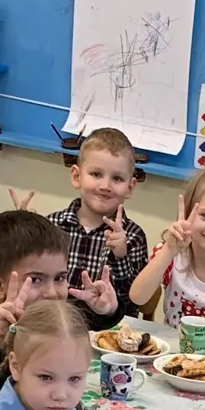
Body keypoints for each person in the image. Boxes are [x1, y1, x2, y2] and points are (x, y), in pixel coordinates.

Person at [128, 164, 205, 342]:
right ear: (189, 213)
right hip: (173, 351)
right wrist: (169, 250)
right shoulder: (173, 255)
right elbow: (138, 297)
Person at [0, 208, 116, 368]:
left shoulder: (60, 312)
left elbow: (90, 320)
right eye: (36, 280)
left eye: (59, 278)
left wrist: (105, 310)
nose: (52, 293)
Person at [45, 127, 146, 330]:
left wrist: (121, 256)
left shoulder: (134, 237)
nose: (105, 185)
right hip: (54, 327)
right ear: (77, 176)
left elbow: (132, 303)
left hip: (107, 332)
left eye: (117, 179)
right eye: (96, 174)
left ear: (130, 187)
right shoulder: (51, 227)